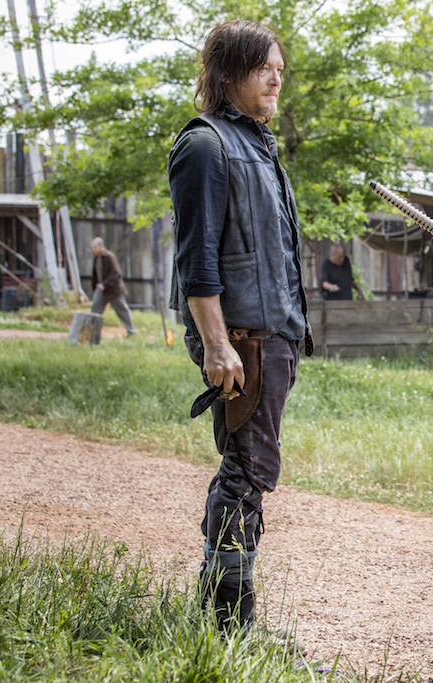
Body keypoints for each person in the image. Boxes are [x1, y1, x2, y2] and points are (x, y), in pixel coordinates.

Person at [167, 19, 312, 633]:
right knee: (247, 470)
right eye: (263, 68)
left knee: (245, 467)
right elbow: (196, 258)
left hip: (274, 335)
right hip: (242, 341)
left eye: (280, 69)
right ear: (228, 73)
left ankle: (216, 611)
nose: (276, 79)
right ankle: (230, 623)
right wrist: (217, 343)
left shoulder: (258, 144)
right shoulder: (205, 146)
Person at [90, 237, 137, 336]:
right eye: (93, 248)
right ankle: (93, 334)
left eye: (95, 248)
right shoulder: (97, 258)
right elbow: (95, 274)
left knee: (122, 309)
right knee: (95, 311)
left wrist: (105, 284)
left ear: (101, 246)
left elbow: (116, 273)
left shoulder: (109, 256)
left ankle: (131, 331)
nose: (94, 250)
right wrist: (96, 286)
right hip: (101, 289)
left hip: (113, 290)